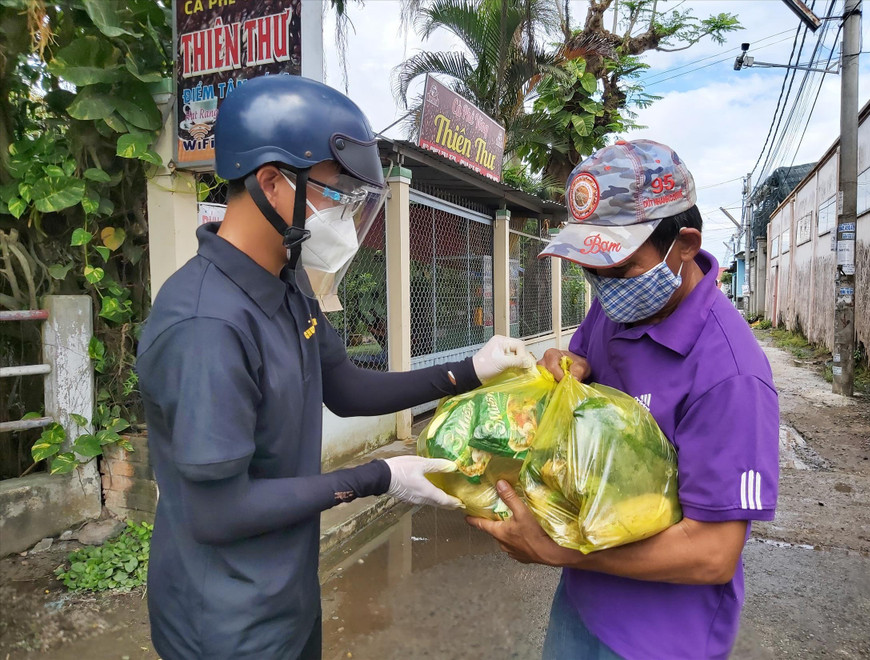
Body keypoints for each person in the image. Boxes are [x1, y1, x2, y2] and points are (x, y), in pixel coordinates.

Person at [135, 75, 533, 660]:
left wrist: (470, 370)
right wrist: (379, 476)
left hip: (286, 595)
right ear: (272, 182)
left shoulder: (288, 281)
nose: (344, 215)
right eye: (335, 193)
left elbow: (344, 388)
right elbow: (219, 510)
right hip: (223, 623)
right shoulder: (207, 326)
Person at [468, 139, 780, 659]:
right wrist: (571, 374)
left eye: (619, 268)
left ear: (684, 244)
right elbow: (582, 384)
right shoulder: (615, 311)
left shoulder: (732, 375)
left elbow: (712, 554)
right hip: (583, 606)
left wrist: (557, 551)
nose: (603, 288)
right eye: (592, 271)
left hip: (661, 638)